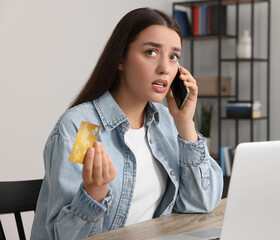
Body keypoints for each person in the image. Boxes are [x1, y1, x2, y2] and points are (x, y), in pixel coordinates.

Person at [30, 7, 223, 240]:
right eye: (151, 52)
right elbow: (65, 236)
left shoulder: (165, 123)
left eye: (173, 56)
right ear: (121, 59)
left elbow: (202, 203)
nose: (165, 68)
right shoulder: (84, 129)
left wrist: (186, 126)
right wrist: (94, 194)